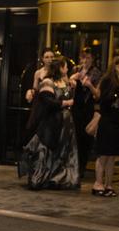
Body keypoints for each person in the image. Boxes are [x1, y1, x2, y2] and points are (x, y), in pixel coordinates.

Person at [20, 56, 80, 190]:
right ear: (60, 68)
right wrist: (66, 103)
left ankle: (57, 179)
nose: (67, 69)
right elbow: (48, 102)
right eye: (65, 66)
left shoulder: (65, 82)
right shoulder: (48, 81)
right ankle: (40, 178)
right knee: (45, 150)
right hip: (51, 123)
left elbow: (71, 96)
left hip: (65, 124)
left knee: (63, 152)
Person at [92, 56, 119, 197]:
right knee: (103, 155)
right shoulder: (108, 80)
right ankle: (97, 183)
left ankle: (108, 184)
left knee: (112, 156)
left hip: (118, 122)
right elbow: (105, 101)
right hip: (107, 121)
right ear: (116, 66)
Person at [69, 47, 101, 179]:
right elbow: (67, 86)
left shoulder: (96, 72)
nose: (85, 61)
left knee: (85, 138)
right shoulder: (75, 70)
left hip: (87, 107)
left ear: (92, 59)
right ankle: (73, 166)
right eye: (83, 57)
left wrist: (89, 85)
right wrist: (72, 80)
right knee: (74, 137)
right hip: (75, 106)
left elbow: (98, 95)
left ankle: (82, 167)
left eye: (88, 58)